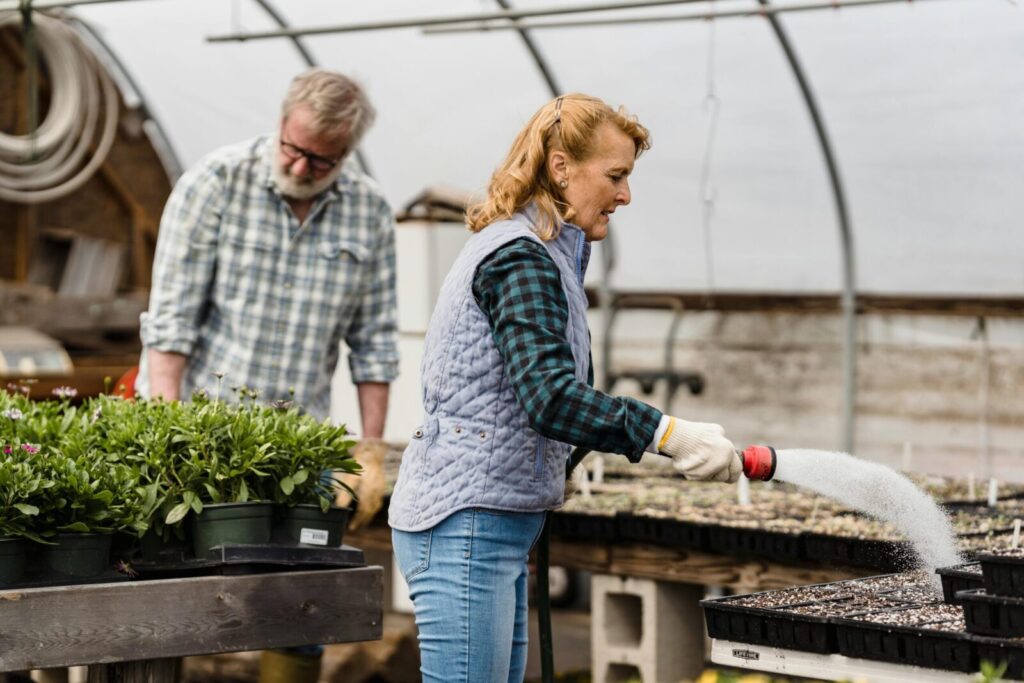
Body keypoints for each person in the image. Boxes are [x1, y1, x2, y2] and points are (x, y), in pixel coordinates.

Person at [388, 93, 742, 682]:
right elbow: (550, 396)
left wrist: (555, 459)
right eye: (616, 175)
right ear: (560, 168)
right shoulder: (521, 259)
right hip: (466, 525)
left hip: (490, 523)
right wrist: (668, 433)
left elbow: (521, 392)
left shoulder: (546, 253)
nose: (625, 194)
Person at [137, 69, 397, 681]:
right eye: (294, 149)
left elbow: (375, 344)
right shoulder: (215, 183)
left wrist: (371, 448)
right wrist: (167, 438)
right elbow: (170, 327)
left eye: (322, 159)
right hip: (201, 435)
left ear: (347, 152)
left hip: (298, 447)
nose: (303, 167)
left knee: (302, 601)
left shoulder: (369, 213)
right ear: (281, 122)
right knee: (171, 599)